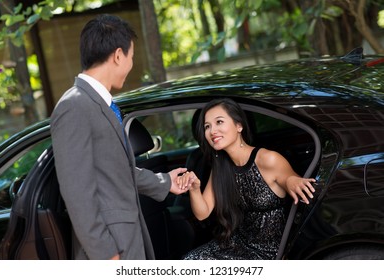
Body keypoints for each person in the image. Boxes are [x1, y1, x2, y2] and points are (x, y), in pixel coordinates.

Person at [50, 14, 187, 260]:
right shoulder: (73, 106)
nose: (131, 64)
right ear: (117, 55)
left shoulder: (100, 103)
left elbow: (115, 170)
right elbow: (77, 191)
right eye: (131, 57)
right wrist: (105, 254)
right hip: (111, 249)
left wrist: (165, 182)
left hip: (127, 238)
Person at [178, 98, 316, 259]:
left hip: (270, 252)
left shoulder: (267, 158)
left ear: (239, 126)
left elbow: (289, 179)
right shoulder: (220, 167)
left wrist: (292, 181)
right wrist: (194, 188)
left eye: (219, 122)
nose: (212, 131)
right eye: (207, 126)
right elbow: (203, 213)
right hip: (237, 245)